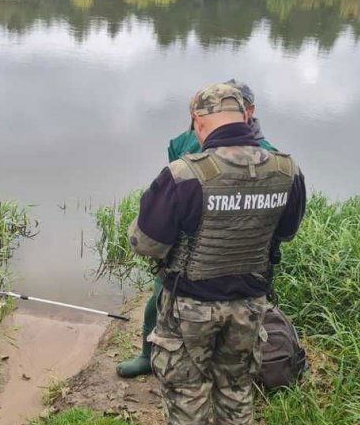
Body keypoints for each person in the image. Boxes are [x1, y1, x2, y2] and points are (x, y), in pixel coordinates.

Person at [128, 83, 305, 425]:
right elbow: (286, 232)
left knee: (188, 395)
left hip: (190, 308)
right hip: (250, 306)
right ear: (246, 116)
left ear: (198, 122)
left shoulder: (184, 175)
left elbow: (146, 243)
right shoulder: (286, 169)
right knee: (237, 389)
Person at [117, 79, 278, 379]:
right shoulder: (187, 142)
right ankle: (148, 355)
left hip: (241, 262)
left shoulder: (270, 158)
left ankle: (216, 374)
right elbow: (172, 189)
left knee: (228, 341)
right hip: (189, 254)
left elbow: (281, 225)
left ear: (249, 111)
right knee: (158, 301)